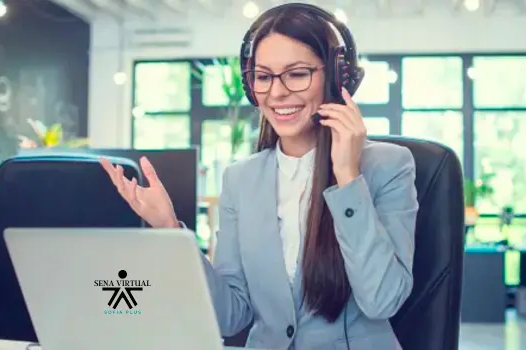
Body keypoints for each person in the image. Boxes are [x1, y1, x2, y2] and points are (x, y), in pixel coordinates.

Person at [100, 3, 418, 349]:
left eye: (297, 74)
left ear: (336, 78)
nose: (277, 92)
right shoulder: (241, 179)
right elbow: (231, 315)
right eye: (264, 77)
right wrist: (169, 229)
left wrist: (347, 176)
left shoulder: (388, 166)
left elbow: (382, 300)